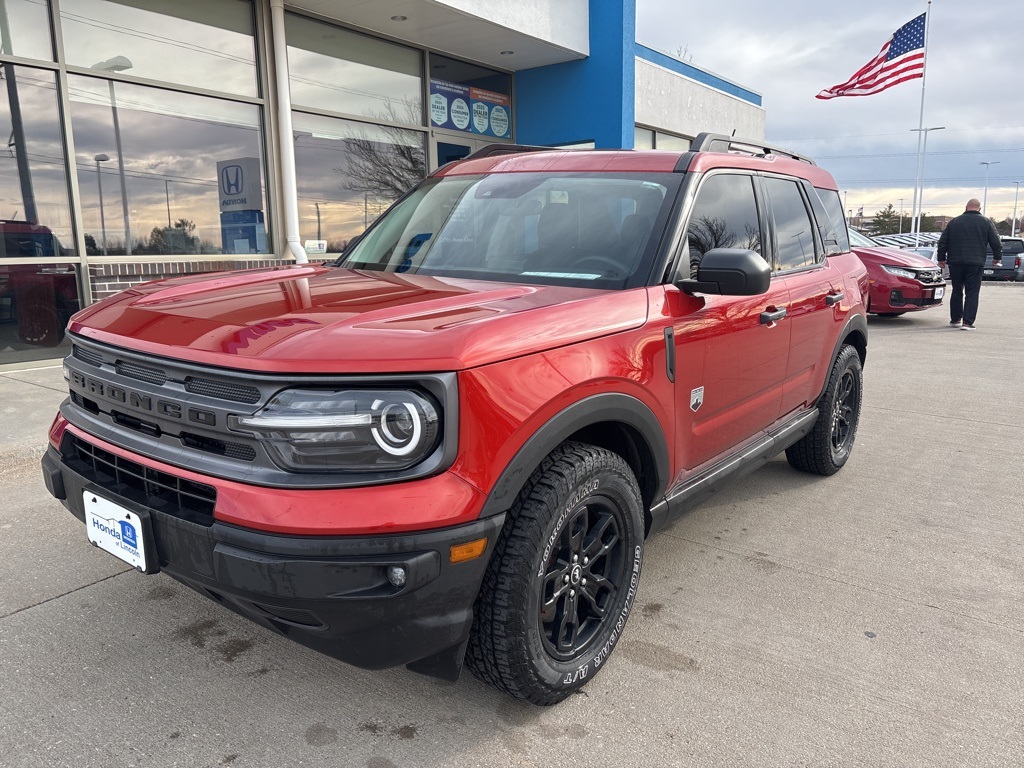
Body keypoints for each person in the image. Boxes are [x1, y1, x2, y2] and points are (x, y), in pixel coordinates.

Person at [937, 199, 1001, 330]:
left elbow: (943, 242)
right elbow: (996, 242)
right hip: (975, 262)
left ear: (966, 207)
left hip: (955, 262)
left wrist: (941, 259)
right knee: (972, 292)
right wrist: (997, 258)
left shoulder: (954, 222)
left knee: (956, 290)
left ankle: (955, 319)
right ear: (979, 208)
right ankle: (967, 322)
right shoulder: (986, 222)